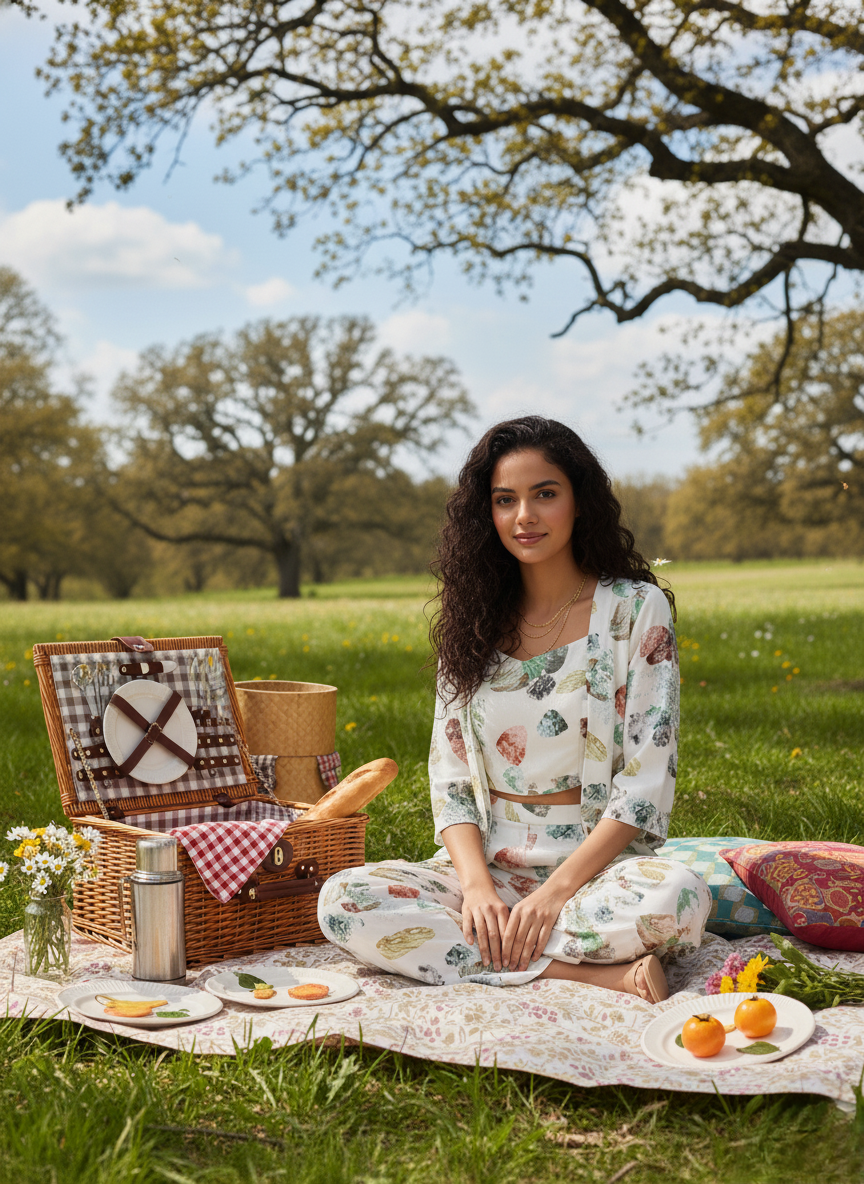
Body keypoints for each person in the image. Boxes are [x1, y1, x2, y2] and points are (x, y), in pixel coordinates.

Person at [318, 416, 711, 1002]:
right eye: (506, 500)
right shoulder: (473, 621)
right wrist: (477, 888)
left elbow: (646, 778)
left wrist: (553, 895)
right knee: (344, 901)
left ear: (580, 502)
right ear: (489, 514)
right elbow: (449, 776)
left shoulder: (635, 610)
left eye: (544, 494)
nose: (524, 516)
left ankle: (491, 957)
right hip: (490, 866)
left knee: (679, 898)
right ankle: (583, 973)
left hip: (598, 869)